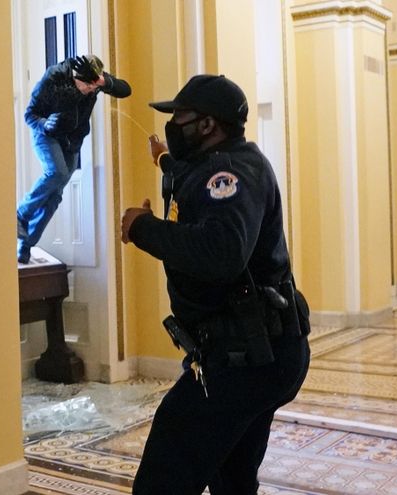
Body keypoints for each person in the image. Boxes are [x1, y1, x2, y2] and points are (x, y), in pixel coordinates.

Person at [120, 74, 311, 494]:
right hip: (263, 352)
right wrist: (164, 159)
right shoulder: (230, 159)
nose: (174, 124)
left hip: (244, 358)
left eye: (180, 117)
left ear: (207, 125)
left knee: (164, 476)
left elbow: (222, 252)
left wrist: (143, 228)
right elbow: (192, 178)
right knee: (233, 476)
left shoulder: (228, 172)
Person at [17, 55, 131, 263]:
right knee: (57, 172)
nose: (90, 90)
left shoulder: (95, 80)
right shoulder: (54, 78)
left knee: (55, 196)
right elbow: (29, 115)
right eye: (85, 85)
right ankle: (20, 214)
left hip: (72, 141)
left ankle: (26, 244)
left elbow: (126, 90)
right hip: (47, 134)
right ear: (74, 77)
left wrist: (103, 82)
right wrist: (45, 125)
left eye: (93, 86)